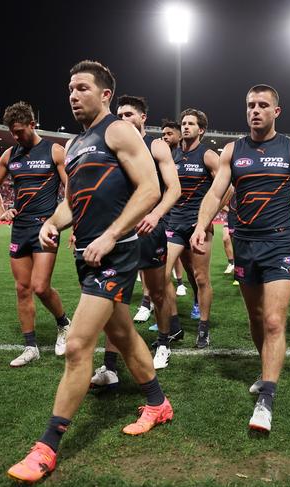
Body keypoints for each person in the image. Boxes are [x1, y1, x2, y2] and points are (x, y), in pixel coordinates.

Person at [7, 60, 172, 484]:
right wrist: (52, 222)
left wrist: (113, 235)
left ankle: (47, 446)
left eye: (82, 88)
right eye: (69, 89)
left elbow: (150, 188)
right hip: (87, 254)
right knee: (122, 332)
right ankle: (157, 403)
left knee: (79, 345)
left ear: (104, 95)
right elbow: (70, 201)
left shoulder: (117, 130)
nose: (73, 95)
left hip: (114, 254)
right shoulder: (76, 143)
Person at [191, 84, 290, 432]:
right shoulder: (232, 151)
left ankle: (266, 397)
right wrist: (201, 224)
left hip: (280, 244)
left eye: (263, 105)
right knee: (255, 316)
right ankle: (265, 368)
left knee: (274, 321)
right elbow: (216, 191)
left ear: (276, 112)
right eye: (250, 104)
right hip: (245, 245)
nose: (255, 110)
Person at [90, 95, 181, 382]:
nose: (123, 118)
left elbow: (174, 188)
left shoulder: (156, 145)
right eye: (120, 114)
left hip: (149, 231)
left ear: (143, 117)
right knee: (114, 296)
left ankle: (164, 342)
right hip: (119, 231)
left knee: (158, 291)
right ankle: (110, 367)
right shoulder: (112, 145)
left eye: (129, 114)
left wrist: (155, 216)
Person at [0, 101, 71, 367]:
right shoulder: (10, 154)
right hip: (20, 228)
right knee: (22, 289)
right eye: (12, 132)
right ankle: (30, 347)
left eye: (20, 131)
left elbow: (72, 189)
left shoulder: (54, 151)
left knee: (40, 286)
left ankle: (64, 324)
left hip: (46, 227)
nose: (16, 136)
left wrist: (67, 223)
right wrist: (1, 212)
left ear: (33, 125)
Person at [164, 108, 219, 348]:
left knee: (201, 277)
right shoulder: (171, 155)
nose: (185, 127)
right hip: (174, 224)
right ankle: (174, 326)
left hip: (199, 226)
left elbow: (226, 188)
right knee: (161, 275)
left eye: (191, 124)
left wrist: (206, 220)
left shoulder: (207, 155)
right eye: (184, 123)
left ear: (201, 130)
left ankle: (203, 329)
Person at [161, 119, 197, 303]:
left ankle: (197, 299)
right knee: (161, 270)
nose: (165, 137)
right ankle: (168, 321)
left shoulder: (202, 155)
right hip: (170, 220)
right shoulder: (165, 156)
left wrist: (206, 217)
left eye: (169, 134)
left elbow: (224, 189)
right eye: (163, 134)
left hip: (194, 223)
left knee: (194, 271)